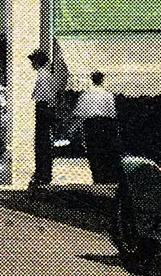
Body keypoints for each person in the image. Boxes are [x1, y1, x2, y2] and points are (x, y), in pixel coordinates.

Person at [27, 43, 67, 189]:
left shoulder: (42, 76)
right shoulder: (46, 75)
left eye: (33, 61)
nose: (32, 64)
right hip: (46, 109)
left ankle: (42, 173)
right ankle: (43, 172)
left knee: (41, 142)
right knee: (43, 142)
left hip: (43, 109)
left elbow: (43, 97)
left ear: (37, 62)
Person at [73, 71, 121, 184]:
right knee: (104, 150)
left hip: (91, 124)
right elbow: (112, 114)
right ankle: (106, 177)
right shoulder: (107, 94)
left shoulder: (86, 95)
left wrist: (77, 129)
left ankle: (97, 177)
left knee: (92, 151)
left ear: (91, 79)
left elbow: (79, 113)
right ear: (102, 80)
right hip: (104, 124)